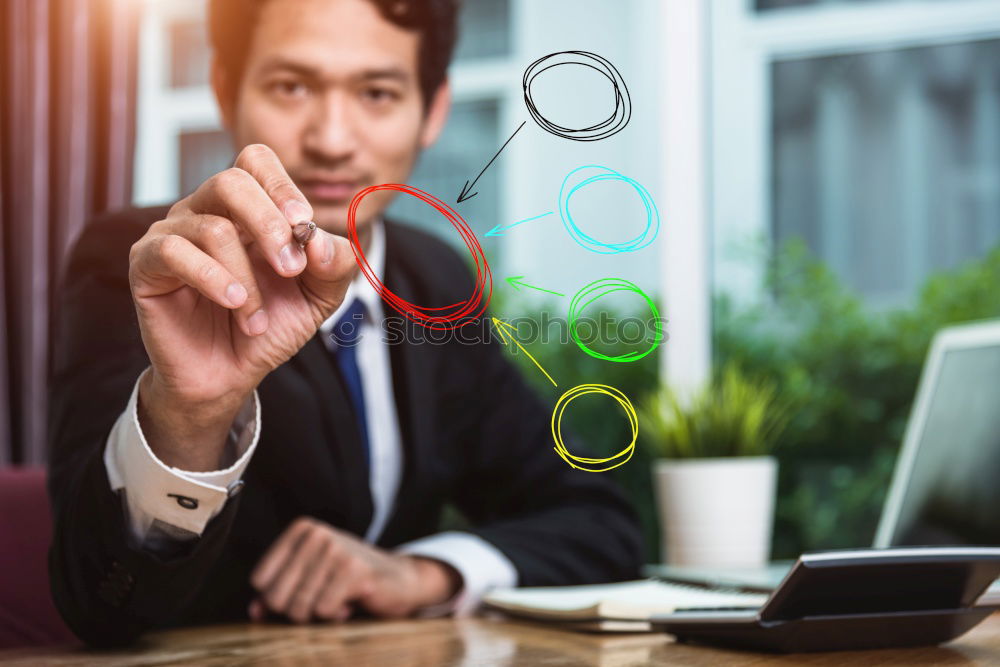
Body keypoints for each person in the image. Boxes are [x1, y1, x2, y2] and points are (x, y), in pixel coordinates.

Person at [47, 0, 642, 648]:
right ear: (225, 90)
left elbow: (596, 518)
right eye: (292, 86)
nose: (332, 138)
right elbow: (98, 597)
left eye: (378, 92)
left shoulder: (435, 281)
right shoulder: (149, 267)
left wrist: (428, 571)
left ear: (433, 109)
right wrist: (188, 415)